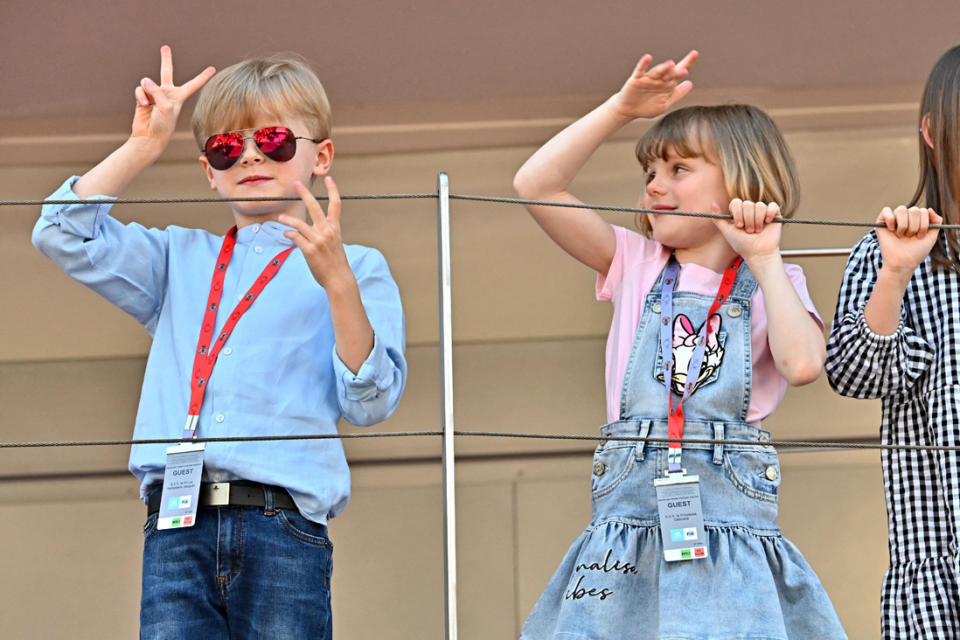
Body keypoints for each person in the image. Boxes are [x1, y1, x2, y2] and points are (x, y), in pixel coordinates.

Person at [32, 46, 406, 639]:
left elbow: (371, 403)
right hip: (175, 522)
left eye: (275, 140)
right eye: (226, 147)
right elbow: (60, 234)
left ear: (322, 155)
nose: (252, 155)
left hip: (282, 521)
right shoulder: (179, 258)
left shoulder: (356, 265)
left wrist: (336, 283)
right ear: (208, 168)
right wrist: (143, 147)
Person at [513, 52, 845, 639]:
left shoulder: (774, 279)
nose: (655, 187)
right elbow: (534, 185)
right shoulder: (636, 263)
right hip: (625, 531)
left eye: (679, 169)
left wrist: (763, 257)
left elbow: (802, 364)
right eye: (650, 173)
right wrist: (621, 108)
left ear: (741, 179)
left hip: (729, 534)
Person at [825, 45, 960, 639]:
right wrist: (898, 271)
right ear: (932, 132)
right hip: (938, 579)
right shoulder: (888, 254)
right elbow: (853, 373)